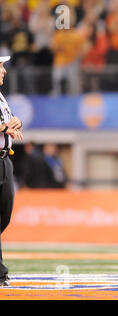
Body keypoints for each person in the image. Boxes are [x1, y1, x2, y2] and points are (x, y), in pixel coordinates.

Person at [0, 55, 24, 286]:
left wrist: (15, 122)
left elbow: (7, 123)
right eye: (0, 66)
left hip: (5, 160)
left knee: (4, 215)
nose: (4, 71)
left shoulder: (1, 96)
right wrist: (4, 126)